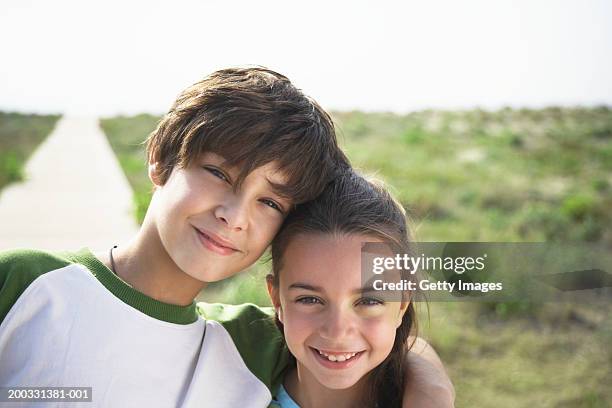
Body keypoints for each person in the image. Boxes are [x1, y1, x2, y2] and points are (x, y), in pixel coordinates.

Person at [0, 67, 452, 407]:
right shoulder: (25, 283)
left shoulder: (247, 341)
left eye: (270, 202)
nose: (234, 216)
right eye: (218, 173)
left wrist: (432, 392)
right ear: (160, 158)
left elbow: (392, 336)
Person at [265, 170, 451, 408]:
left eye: (369, 301)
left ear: (402, 304)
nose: (337, 332)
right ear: (276, 300)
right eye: (309, 299)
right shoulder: (232, 380)